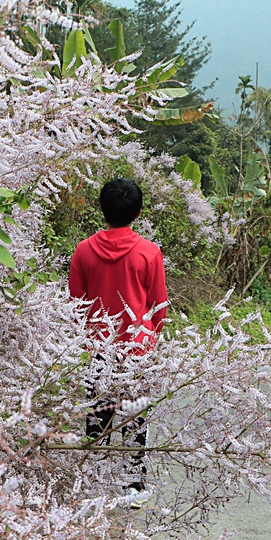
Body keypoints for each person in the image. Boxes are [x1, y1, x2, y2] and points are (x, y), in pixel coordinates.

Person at [68, 178, 168, 498]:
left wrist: (90, 339)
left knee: (98, 417)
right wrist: (148, 337)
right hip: (136, 350)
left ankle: (92, 487)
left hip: (100, 348)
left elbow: (76, 303)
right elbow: (159, 306)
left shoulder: (83, 251)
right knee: (135, 419)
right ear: (138, 212)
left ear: (102, 208)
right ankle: (134, 487)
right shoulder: (149, 253)